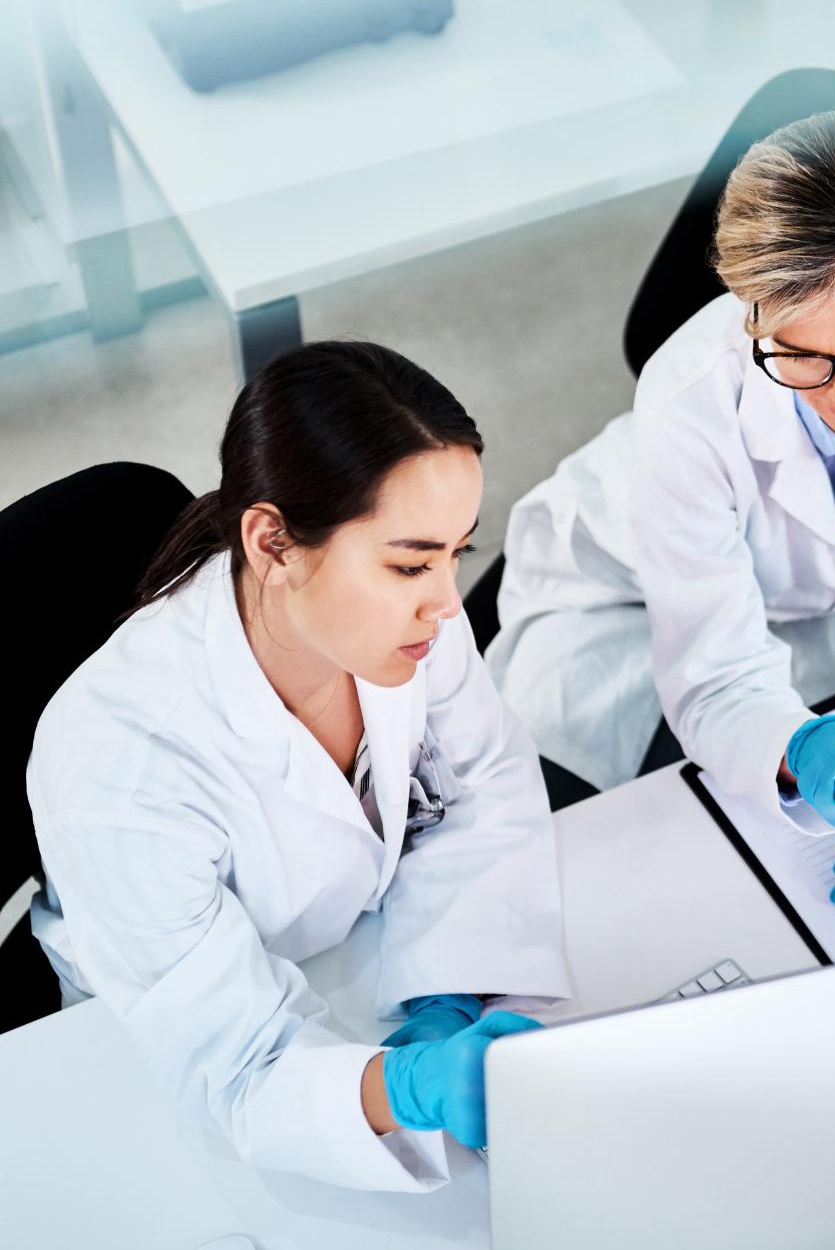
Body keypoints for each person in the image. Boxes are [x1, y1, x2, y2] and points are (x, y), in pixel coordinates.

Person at [488, 110, 835, 932]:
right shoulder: (688, 398)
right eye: (802, 355)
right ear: (749, 308)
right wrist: (795, 748)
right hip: (614, 582)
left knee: (775, 872)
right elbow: (716, 668)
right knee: (573, 859)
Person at [28, 341, 569, 1193]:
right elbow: (237, 1069)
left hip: (361, 962)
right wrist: (404, 1089)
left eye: (455, 554)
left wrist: (448, 993)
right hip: (154, 1068)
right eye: (408, 562)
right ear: (274, 542)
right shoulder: (119, 762)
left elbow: (484, 783)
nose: (444, 599)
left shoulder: (404, 625)